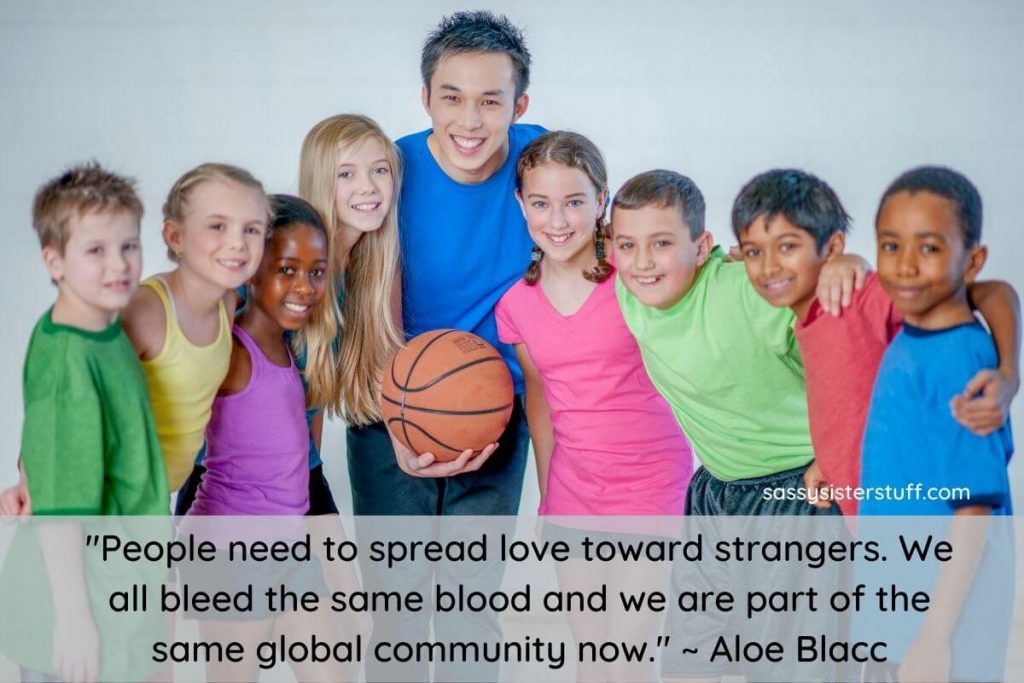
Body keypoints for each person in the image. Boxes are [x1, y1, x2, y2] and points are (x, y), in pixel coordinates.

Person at [611, 170, 845, 682]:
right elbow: (558, 222)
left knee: (789, 666)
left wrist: (845, 264)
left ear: (703, 248)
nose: (643, 261)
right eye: (627, 244)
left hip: (797, 492)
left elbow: (850, 350)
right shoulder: (627, 290)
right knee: (688, 659)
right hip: (716, 489)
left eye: (662, 243)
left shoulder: (747, 291)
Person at [494, 131, 693, 682]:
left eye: (574, 202)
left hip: (651, 487)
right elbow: (540, 404)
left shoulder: (637, 279)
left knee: (628, 662)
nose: (557, 220)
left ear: (602, 200)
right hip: (575, 496)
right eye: (541, 203)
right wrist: (548, 499)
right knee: (593, 662)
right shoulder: (515, 306)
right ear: (521, 204)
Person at [731, 168, 1019, 515]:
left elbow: (992, 292)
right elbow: (848, 398)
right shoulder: (807, 318)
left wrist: (1008, 373)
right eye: (753, 252)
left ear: (834, 246)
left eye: (787, 246)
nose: (769, 267)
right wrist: (829, 460)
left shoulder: (856, 296)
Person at [0, 163, 169, 682]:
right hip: (82, 606)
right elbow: (64, 509)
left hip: (120, 585)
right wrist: (74, 620)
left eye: (128, 246)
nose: (118, 264)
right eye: (95, 251)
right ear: (55, 261)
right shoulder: (69, 360)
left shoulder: (101, 324)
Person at [857, 166, 1015, 683]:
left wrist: (933, 637)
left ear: (971, 261)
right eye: (889, 245)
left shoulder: (960, 362)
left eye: (928, 248)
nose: (904, 266)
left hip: (937, 625)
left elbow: (973, 510)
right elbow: (998, 292)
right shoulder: (917, 332)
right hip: (900, 605)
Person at [182, 194, 345, 683]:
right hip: (229, 550)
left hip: (289, 548)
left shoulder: (292, 350)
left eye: (316, 272)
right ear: (251, 270)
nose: (305, 286)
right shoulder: (227, 349)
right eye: (287, 270)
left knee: (332, 672)